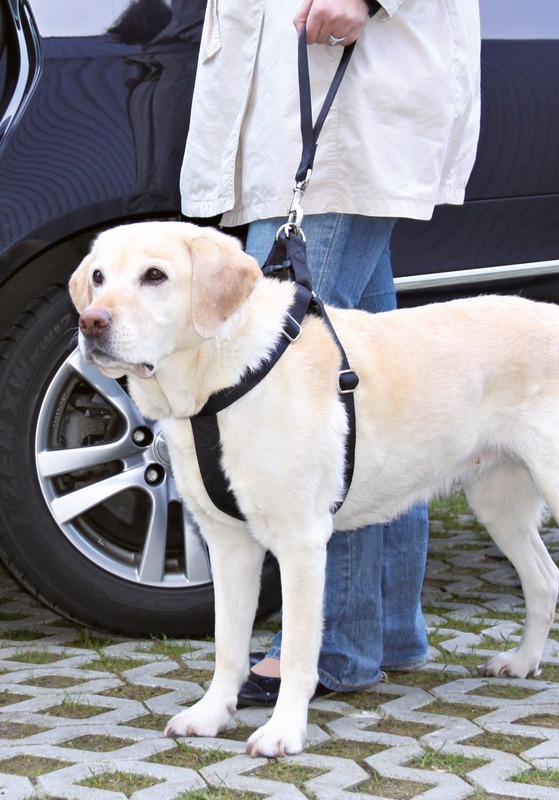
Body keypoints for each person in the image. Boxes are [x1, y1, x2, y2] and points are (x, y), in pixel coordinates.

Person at [180, 0, 481, 705]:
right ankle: (384, 628)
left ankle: (335, 647)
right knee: (376, 399)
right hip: (295, 114)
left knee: (281, 389)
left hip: (347, 102)